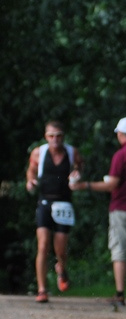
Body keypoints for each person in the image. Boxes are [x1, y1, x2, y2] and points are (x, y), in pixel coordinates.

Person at [72, 117, 126, 306]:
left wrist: (84, 185)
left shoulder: (121, 155)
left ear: (120, 134)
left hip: (121, 208)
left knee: (119, 250)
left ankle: (120, 294)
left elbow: (112, 184)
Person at [26, 120, 84, 303]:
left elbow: (80, 166)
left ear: (63, 137)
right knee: (43, 245)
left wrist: (77, 173)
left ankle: (61, 267)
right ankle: (42, 289)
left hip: (64, 203)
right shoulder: (39, 152)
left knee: (61, 249)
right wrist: (30, 181)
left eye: (58, 136)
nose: (55, 140)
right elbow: (31, 171)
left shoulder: (72, 152)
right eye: (51, 136)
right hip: (44, 201)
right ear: (46, 137)